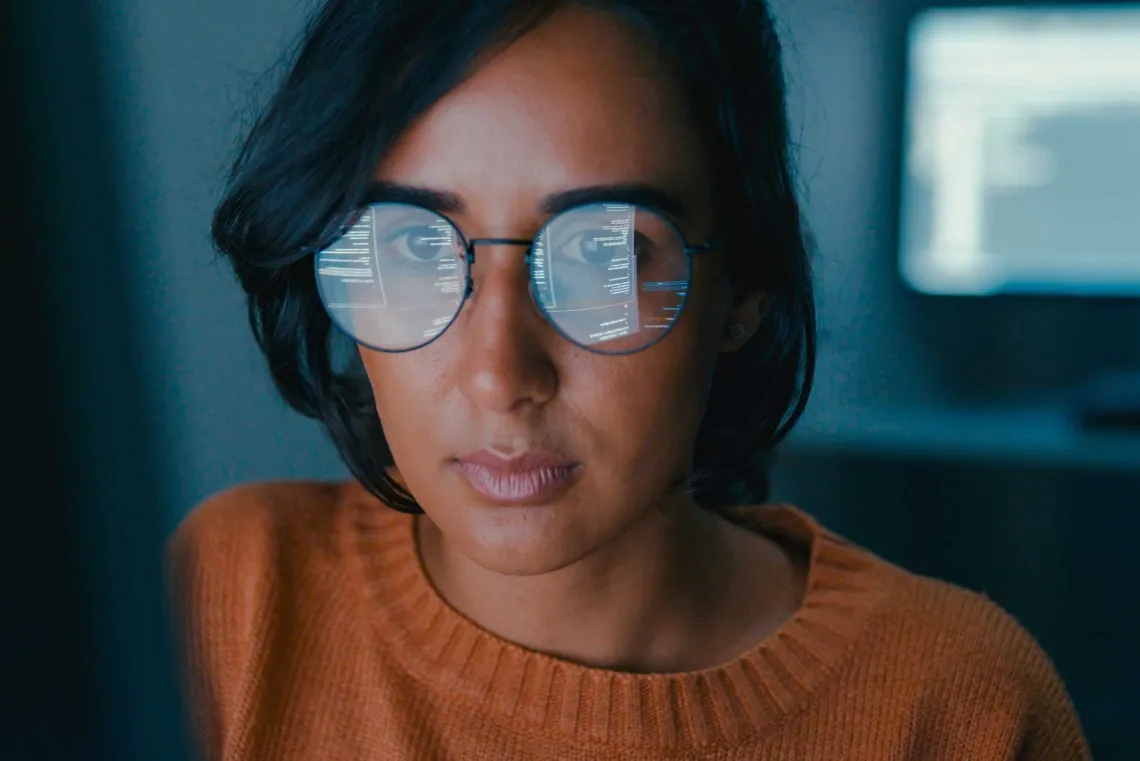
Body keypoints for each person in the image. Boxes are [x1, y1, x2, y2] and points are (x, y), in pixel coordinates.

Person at [167, 1, 1091, 759]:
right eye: (408, 246)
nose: (499, 375)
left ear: (746, 285)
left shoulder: (960, 707)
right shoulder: (230, 602)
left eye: (605, 256)